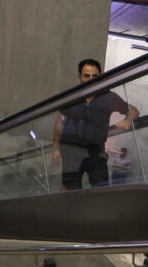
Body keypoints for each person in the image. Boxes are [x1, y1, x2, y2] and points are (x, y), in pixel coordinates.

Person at [52, 59, 140, 190]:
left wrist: (127, 120)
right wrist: (55, 148)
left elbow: (134, 110)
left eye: (95, 76)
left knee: (101, 190)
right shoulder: (71, 97)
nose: (91, 79)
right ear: (79, 77)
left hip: (96, 152)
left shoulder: (108, 97)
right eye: (86, 75)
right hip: (71, 151)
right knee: (69, 191)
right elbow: (60, 122)